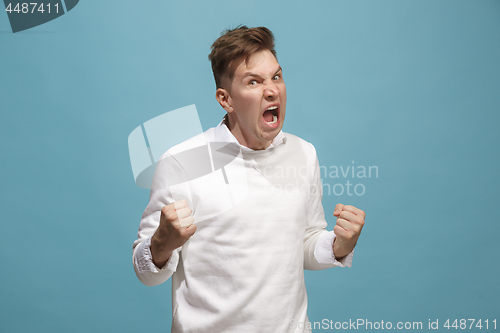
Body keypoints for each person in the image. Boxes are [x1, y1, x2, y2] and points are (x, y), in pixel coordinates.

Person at [132, 26, 365, 333]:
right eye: (254, 81)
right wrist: (161, 243)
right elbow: (147, 273)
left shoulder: (303, 153)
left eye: (276, 77)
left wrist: (338, 244)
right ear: (225, 99)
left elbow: (304, 242)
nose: (272, 90)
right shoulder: (183, 161)